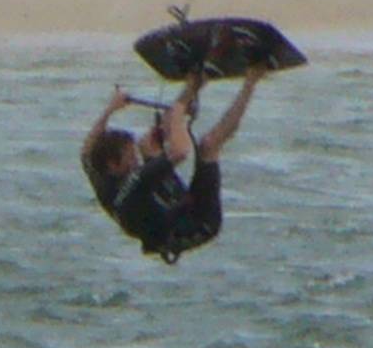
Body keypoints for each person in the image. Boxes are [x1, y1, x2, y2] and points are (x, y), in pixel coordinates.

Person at [80, 64, 267, 263]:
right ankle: (252, 80)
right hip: (196, 224)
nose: (136, 161)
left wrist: (110, 109)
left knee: (151, 141)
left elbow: (86, 149)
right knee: (208, 145)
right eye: (131, 158)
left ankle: (196, 82)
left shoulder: (100, 175)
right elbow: (180, 151)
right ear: (113, 165)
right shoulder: (134, 181)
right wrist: (178, 113)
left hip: (166, 207)